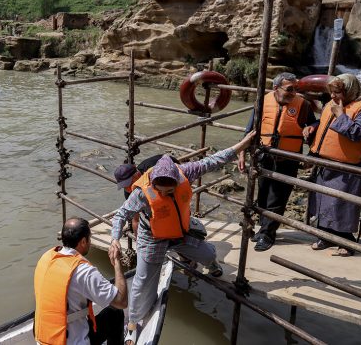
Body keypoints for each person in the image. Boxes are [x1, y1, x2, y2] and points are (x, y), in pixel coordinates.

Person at [108, 132, 255, 344]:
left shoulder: (185, 171)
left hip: (179, 231)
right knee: (142, 282)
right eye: (162, 192)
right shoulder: (141, 192)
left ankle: (212, 264)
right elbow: (122, 215)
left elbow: (214, 160)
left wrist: (242, 145)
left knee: (208, 253)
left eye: (170, 191)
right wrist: (114, 238)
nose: (166, 194)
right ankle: (132, 323)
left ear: (177, 180)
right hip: (153, 238)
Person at [238, 72, 317, 252]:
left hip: (287, 158)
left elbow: (316, 124)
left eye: (295, 89)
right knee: (264, 195)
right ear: (276, 88)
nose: (293, 93)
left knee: (278, 198)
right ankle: (264, 229)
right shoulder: (263, 101)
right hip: (263, 156)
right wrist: (241, 153)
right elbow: (250, 129)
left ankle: (268, 234)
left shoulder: (302, 105)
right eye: (289, 89)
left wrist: (311, 128)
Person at [305, 74, 361, 257]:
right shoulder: (331, 105)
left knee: (343, 203)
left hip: (349, 166)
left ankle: (347, 241)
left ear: (350, 91)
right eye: (331, 93)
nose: (332, 97)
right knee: (323, 201)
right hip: (325, 162)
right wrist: (313, 127)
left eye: (337, 93)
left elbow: (357, 133)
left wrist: (340, 115)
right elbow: (323, 124)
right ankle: (326, 236)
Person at [34, 217, 127, 345]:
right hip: (72, 342)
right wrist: (117, 263)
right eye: (89, 238)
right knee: (115, 313)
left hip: (44, 339)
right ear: (83, 241)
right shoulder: (83, 271)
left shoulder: (45, 258)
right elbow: (121, 301)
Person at [115, 155, 181, 234]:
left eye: (129, 184)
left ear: (137, 175)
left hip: (171, 173)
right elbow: (135, 220)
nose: (128, 188)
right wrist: (138, 240)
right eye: (124, 186)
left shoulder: (153, 171)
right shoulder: (129, 191)